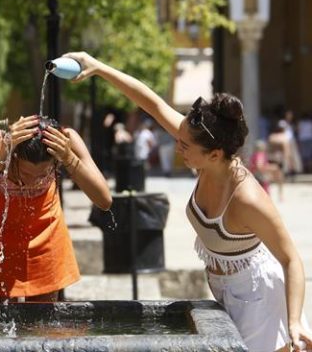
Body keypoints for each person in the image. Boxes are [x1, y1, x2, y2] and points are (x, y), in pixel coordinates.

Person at [63, 51, 312, 352]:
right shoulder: (202, 146)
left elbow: (291, 260)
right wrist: (99, 67)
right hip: (226, 290)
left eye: (184, 145)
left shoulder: (247, 198)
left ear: (215, 154)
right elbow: (152, 104)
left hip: (259, 298)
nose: (177, 148)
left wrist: (295, 321)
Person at [0, 115, 112, 302]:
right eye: (26, 173)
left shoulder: (65, 141)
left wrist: (69, 158)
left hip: (45, 235)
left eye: (42, 174)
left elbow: (104, 200)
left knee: (43, 322)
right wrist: (1, 152)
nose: (33, 181)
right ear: (14, 156)